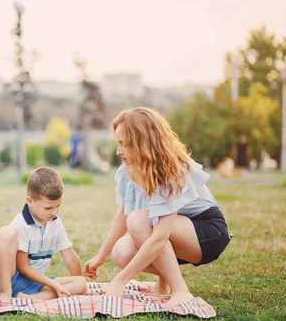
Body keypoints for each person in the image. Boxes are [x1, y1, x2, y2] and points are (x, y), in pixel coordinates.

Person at [83, 107, 231, 307]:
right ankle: (164, 285)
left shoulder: (171, 170)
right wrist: (101, 256)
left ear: (142, 143)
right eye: (118, 143)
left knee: (140, 221)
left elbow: (160, 235)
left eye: (123, 144)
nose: (118, 151)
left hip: (207, 232)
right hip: (173, 229)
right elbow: (124, 214)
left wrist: (120, 281)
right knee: (122, 251)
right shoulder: (129, 168)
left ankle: (181, 291)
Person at [0, 166, 87, 300]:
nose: (55, 212)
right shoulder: (21, 224)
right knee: (6, 232)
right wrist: (53, 284)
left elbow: (70, 257)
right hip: (6, 278)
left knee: (81, 284)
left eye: (58, 206)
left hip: (31, 283)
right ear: (30, 201)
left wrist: (78, 289)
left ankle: (30, 298)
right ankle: (5, 294)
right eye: (48, 208)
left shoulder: (55, 223)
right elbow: (23, 267)